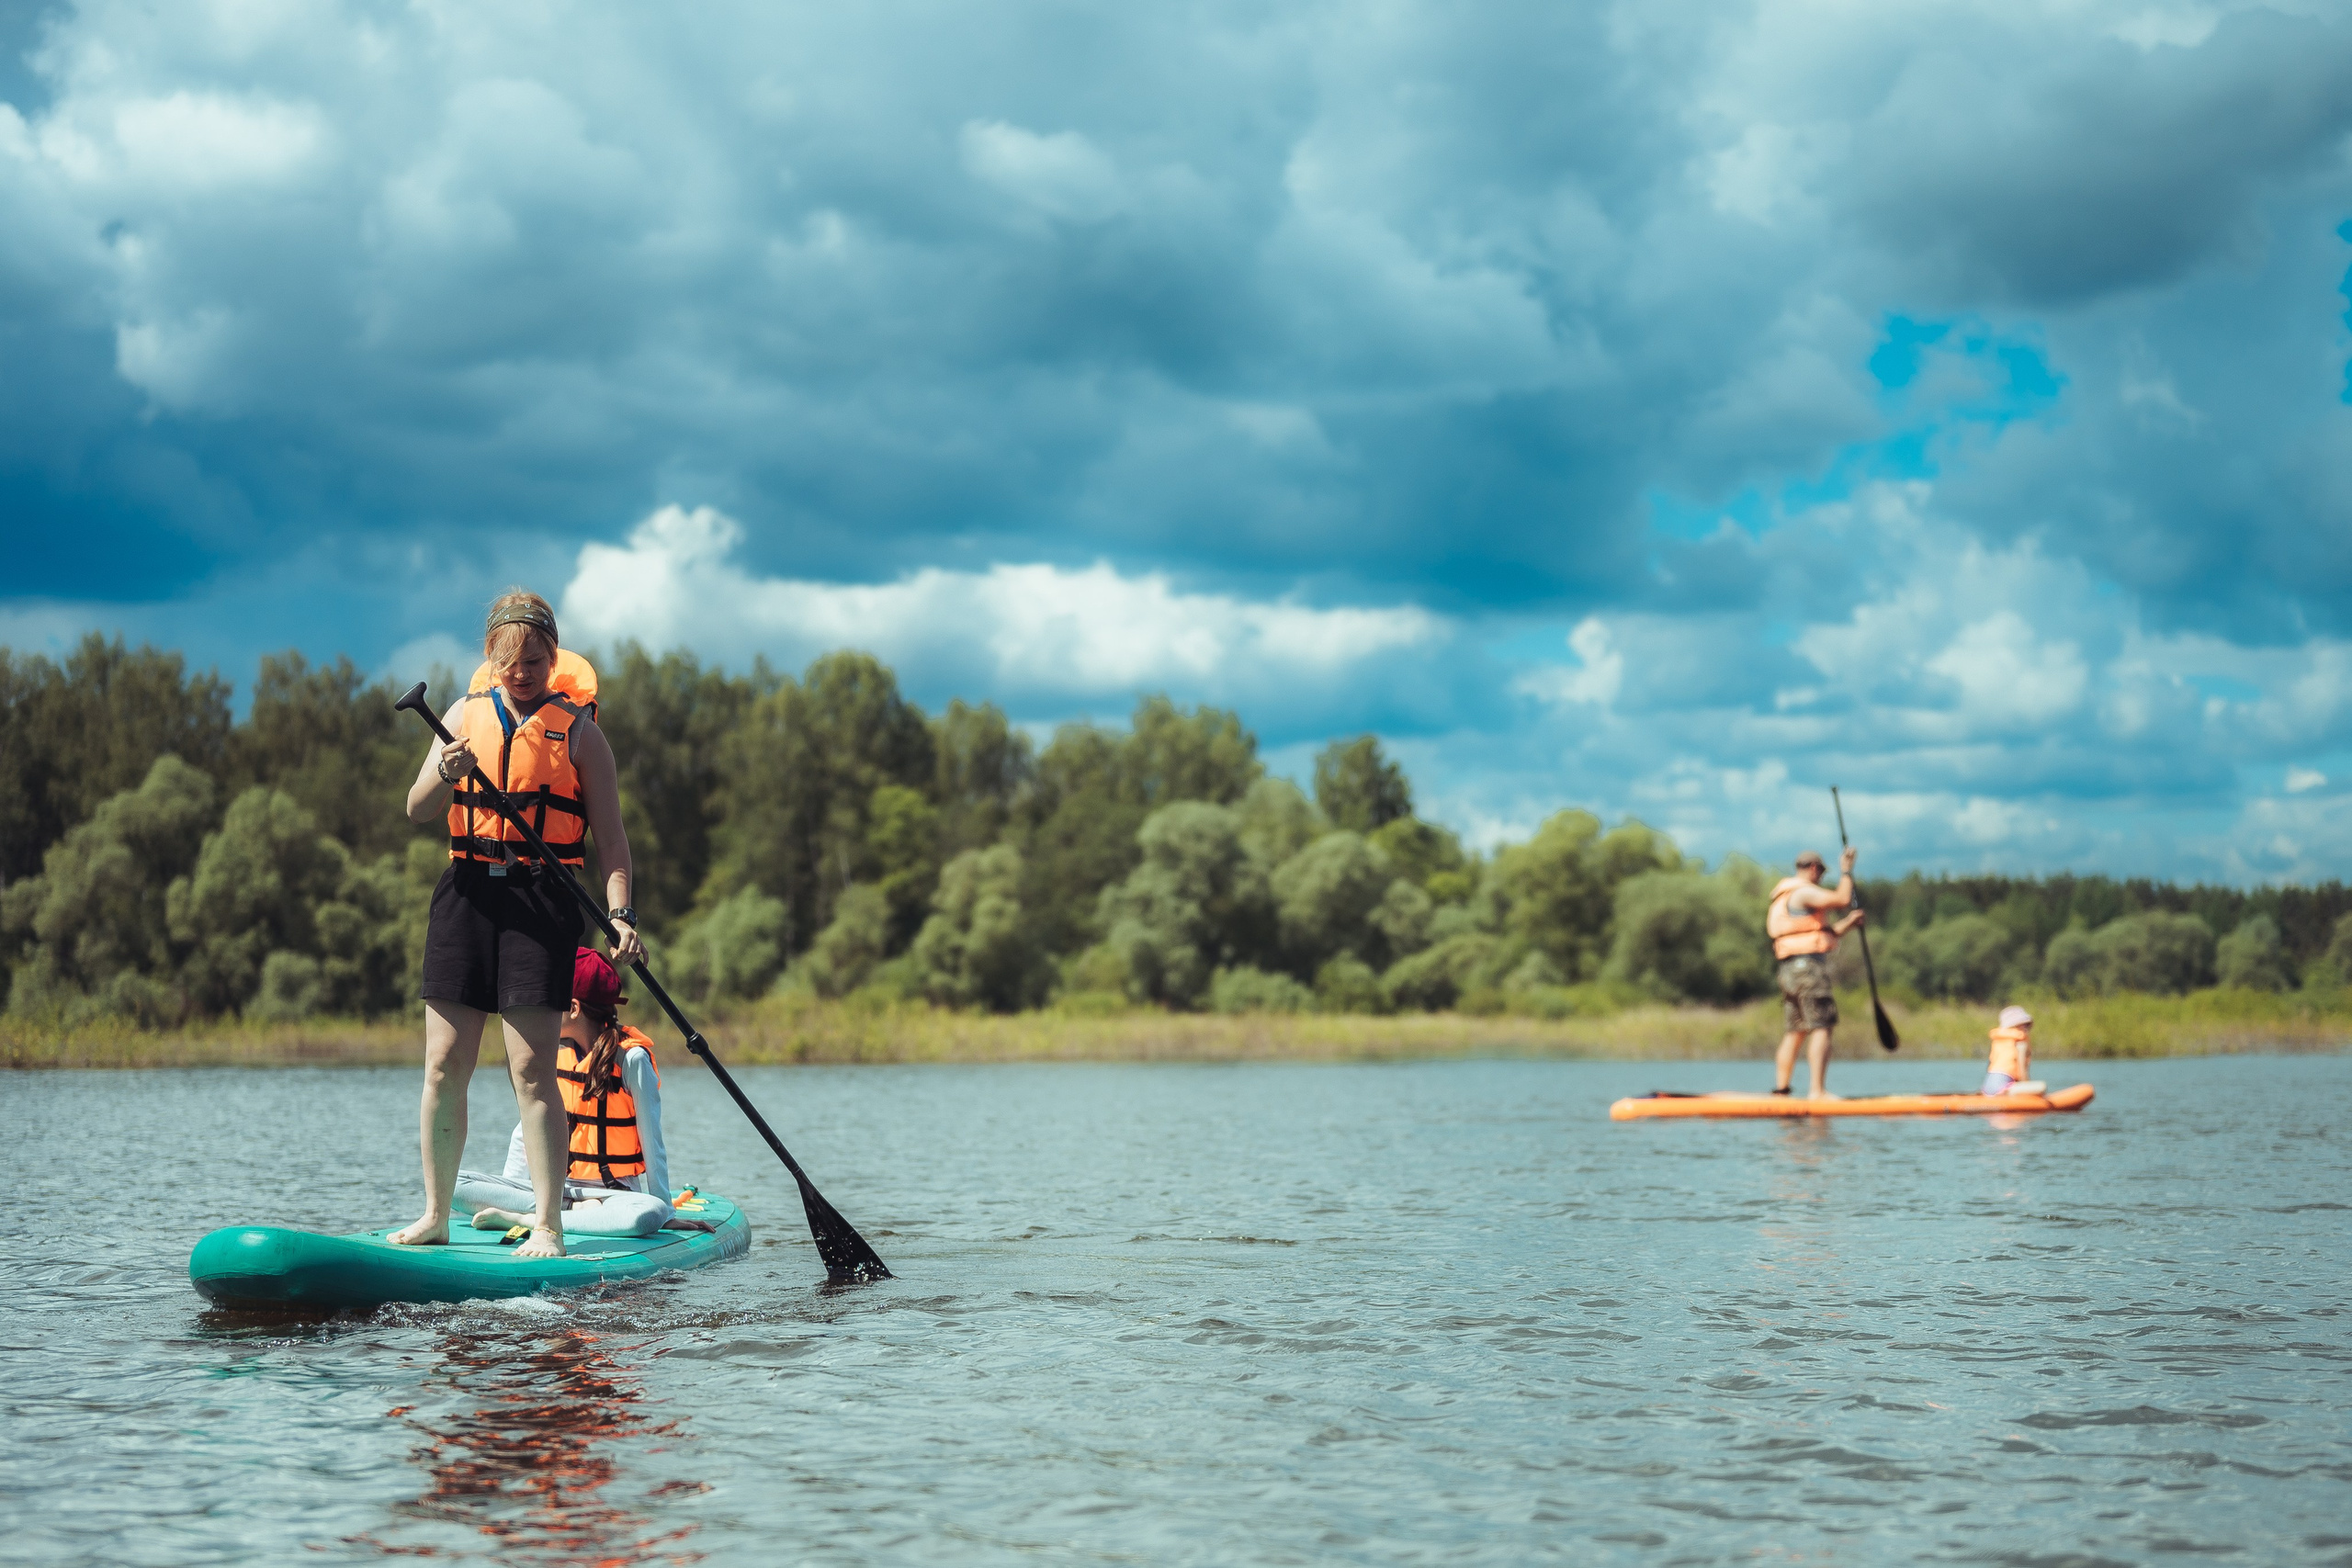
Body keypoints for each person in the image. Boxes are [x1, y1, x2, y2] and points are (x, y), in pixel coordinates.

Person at [390, 590, 645, 1259]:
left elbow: (612, 842)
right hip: (467, 895)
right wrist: (444, 771)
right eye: (509, 660)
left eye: (535, 659)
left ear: (553, 656)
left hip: (542, 900)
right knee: (444, 1063)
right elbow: (416, 808)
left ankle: (548, 1225)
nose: (522, 671)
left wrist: (621, 913)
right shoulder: (459, 716)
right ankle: (435, 1213)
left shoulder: (582, 734)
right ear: (490, 657)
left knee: (532, 1070)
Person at [455, 948, 675, 1238]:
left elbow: (652, 1140)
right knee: (453, 1183)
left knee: (649, 1215)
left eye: (549, 1002)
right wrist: (508, 1189)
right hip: (554, 1190)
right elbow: (525, 1134)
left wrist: (667, 1211)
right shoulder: (553, 1055)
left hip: (614, 1195)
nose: (542, 1011)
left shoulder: (632, 1059)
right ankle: (563, 1212)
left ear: (572, 1008)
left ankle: (531, 1219)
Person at [1765, 846, 1868, 1099]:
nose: (1822, 877)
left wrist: (1849, 924)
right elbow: (1842, 900)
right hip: (1807, 970)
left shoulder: (1784, 896)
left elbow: (1820, 934)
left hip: (1789, 970)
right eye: (1821, 872)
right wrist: (1846, 870)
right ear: (1814, 869)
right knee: (1822, 1025)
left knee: (1796, 1029)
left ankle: (1782, 1090)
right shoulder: (1803, 892)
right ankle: (1817, 1091)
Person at [1982, 1005, 2046, 1098]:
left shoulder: (1999, 1041)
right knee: (2041, 1087)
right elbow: (2022, 1072)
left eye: (2027, 1025)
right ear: (2014, 1025)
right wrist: (2028, 1087)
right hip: (2003, 1088)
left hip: (1988, 1087)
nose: (2026, 1028)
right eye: (2023, 1024)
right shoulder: (2020, 1044)